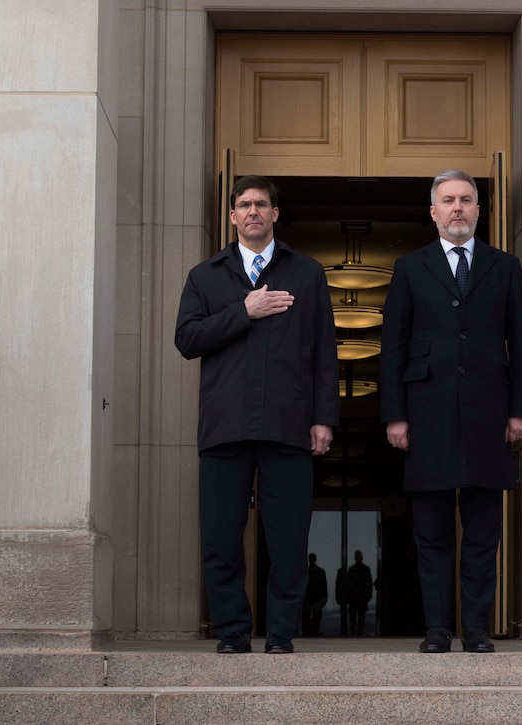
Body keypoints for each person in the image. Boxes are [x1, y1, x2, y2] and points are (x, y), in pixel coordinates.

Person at [175, 175, 338, 655]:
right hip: (224, 426)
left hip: (289, 425)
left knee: (288, 540)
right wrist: (245, 310)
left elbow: (324, 352)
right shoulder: (205, 276)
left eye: (261, 205)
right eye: (244, 205)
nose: (253, 212)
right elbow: (187, 339)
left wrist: (323, 418)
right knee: (222, 538)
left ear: (275, 214)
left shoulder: (306, 273)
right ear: (232, 216)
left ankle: (282, 633)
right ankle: (232, 632)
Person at [380, 169, 522, 654]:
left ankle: (476, 629)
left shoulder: (504, 266)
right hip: (426, 414)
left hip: (490, 414)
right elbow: (394, 347)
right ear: (433, 211)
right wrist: (396, 415)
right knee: (431, 535)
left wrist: (521, 410)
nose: (457, 208)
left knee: (483, 535)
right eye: (448, 200)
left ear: (478, 209)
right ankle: (436, 630)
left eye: (466, 200)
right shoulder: (410, 268)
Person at [346, 550, 373, 636]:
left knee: (354, 618)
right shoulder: (365, 569)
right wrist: (368, 594)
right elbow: (369, 583)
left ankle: (354, 633)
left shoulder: (352, 570)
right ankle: (358, 634)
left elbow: (348, 584)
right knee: (360, 618)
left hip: (356, 597)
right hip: (361, 597)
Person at [302, 553, 327, 636]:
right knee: (316, 618)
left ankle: (308, 632)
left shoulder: (305, 572)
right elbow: (324, 586)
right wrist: (323, 598)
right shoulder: (320, 571)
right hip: (317, 598)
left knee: (306, 617)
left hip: (308, 598)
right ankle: (315, 631)